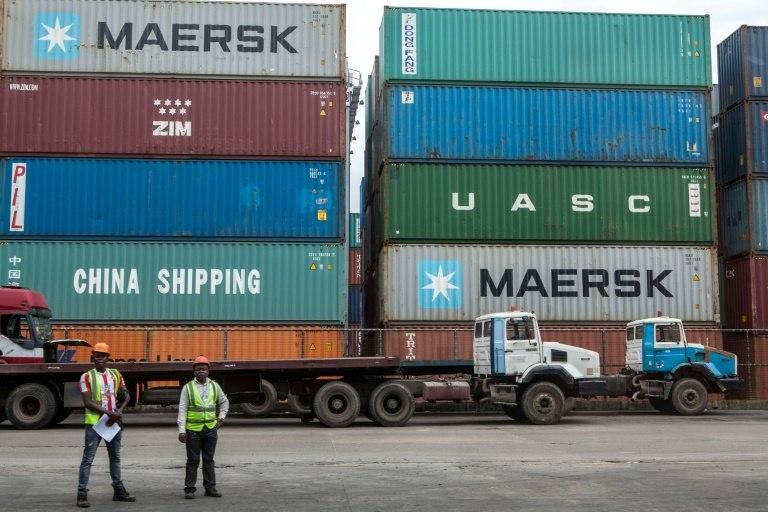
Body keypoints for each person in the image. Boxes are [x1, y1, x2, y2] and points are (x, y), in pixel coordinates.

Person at [77, 342, 136, 508]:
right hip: (95, 424)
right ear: (92, 357)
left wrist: (119, 411)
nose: (99, 358)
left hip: (112, 422)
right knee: (88, 459)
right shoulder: (86, 377)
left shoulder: (115, 374)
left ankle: (118, 490)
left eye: (102, 355)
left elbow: (126, 396)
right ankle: (82, 493)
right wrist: (110, 413)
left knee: (115, 457)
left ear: (108, 357)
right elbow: (87, 402)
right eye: (97, 355)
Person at [178, 355, 229, 499]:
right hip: (193, 430)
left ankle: (210, 488)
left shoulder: (214, 385)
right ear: (194, 372)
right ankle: (189, 489)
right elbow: (182, 409)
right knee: (193, 460)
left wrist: (221, 418)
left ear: (208, 371)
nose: (201, 371)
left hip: (210, 429)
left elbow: (224, 402)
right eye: (198, 369)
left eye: (204, 369)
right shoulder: (188, 388)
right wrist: (182, 431)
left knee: (209, 459)